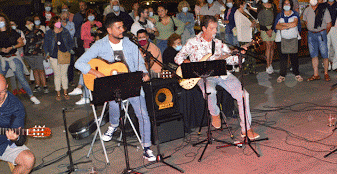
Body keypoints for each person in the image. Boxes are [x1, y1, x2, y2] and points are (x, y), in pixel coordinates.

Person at [75, 14, 156, 162]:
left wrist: (144, 73)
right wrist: (96, 73)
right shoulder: (100, 45)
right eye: (118, 28)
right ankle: (113, 124)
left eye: (122, 27)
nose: (122, 30)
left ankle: (146, 147)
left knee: (143, 114)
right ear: (109, 30)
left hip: (131, 83)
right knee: (113, 100)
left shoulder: (130, 44)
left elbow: (139, 64)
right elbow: (79, 63)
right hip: (111, 85)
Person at [174, 15, 259, 140]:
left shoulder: (219, 43)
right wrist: (188, 63)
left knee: (243, 95)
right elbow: (178, 57)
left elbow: (231, 60)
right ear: (204, 28)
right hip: (204, 77)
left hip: (222, 75)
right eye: (212, 28)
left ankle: (246, 128)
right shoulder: (192, 42)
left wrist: (240, 55)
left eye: (216, 28)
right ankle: (214, 114)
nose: (215, 31)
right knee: (210, 91)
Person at [0, 14, 40, 105]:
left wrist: (12, 47)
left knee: (21, 78)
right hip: (2, 59)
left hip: (13, 57)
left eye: (1, 20)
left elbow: (21, 43)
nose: (0, 22)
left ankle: (31, 96)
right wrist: (0, 50)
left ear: (5, 21)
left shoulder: (12, 32)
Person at [302, 0, 331, 81]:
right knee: (313, 54)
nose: (313, 0)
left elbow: (329, 24)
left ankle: (326, 73)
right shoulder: (307, 10)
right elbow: (305, 21)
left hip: (321, 34)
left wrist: (324, 33)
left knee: (324, 54)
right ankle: (316, 74)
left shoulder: (323, 9)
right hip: (311, 34)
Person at [43, 15, 74, 101]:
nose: (59, 23)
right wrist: (47, 53)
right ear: (53, 23)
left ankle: (65, 92)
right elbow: (45, 45)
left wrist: (70, 50)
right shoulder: (49, 33)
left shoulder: (65, 31)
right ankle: (58, 93)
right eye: (57, 21)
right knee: (57, 75)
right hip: (53, 56)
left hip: (64, 55)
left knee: (64, 75)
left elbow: (71, 42)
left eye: (60, 21)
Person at [275, 0, 302, 82]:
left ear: (291, 5)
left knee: (294, 57)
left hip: (294, 39)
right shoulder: (279, 15)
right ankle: (282, 74)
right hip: (281, 39)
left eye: (288, 4)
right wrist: (287, 25)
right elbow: (276, 26)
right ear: (282, 6)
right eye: (285, 4)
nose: (286, 5)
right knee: (283, 58)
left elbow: (294, 24)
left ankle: (296, 73)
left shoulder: (295, 14)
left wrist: (282, 25)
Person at [23, 16, 47, 94]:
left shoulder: (38, 31)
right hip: (28, 54)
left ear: (32, 23)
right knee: (34, 70)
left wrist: (45, 52)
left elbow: (43, 42)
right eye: (27, 24)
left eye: (29, 23)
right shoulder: (24, 32)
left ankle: (45, 86)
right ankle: (37, 85)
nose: (28, 25)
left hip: (38, 53)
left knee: (41, 69)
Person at [235, 0, 258, 74]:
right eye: (244, 4)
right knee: (245, 54)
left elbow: (253, 19)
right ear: (241, 5)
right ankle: (245, 70)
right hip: (243, 36)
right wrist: (250, 25)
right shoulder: (237, 13)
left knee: (252, 53)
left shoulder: (246, 11)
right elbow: (239, 26)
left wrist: (254, 23)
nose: (245, 5)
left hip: (250, 35)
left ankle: (252, 69)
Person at [257, 0, 277, 74]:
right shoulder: (260, 6)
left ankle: (270, 63)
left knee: (272, 46)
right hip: (264, 28)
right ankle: (267, 65)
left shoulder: (273, 6)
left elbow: (276, 17)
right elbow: (260, 19)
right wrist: (267, 30)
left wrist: (271, 29)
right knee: (268, 45)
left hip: (272, 28)